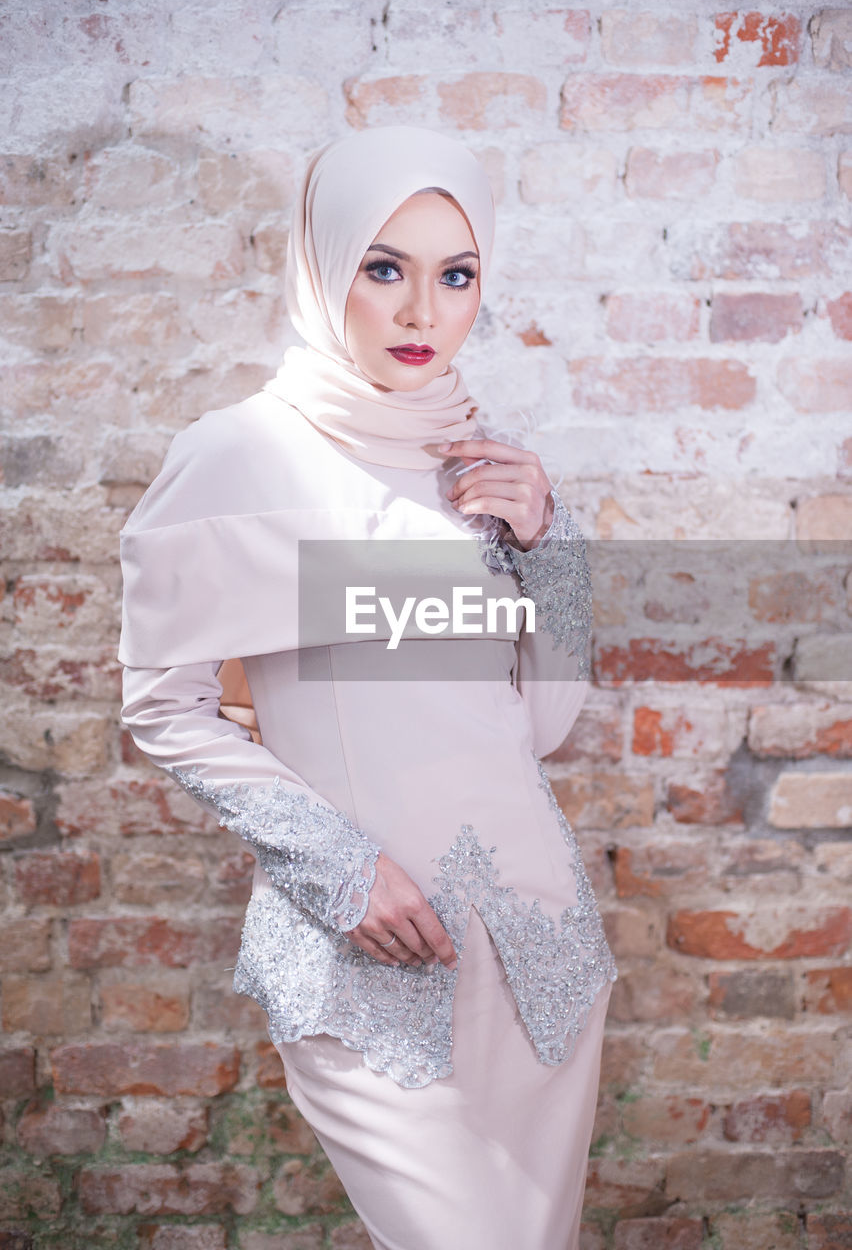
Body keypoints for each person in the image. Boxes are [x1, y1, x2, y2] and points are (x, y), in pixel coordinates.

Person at [118, 124, 616, 1250]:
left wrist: (550, 543)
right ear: (324, 262)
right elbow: (162, 705)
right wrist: (344, 869)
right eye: (384, 267)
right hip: (370, 957)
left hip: (537, 952)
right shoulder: (240, 456)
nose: (419, 312)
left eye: (456, 275)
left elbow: (536, 721)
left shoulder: (479, 463)